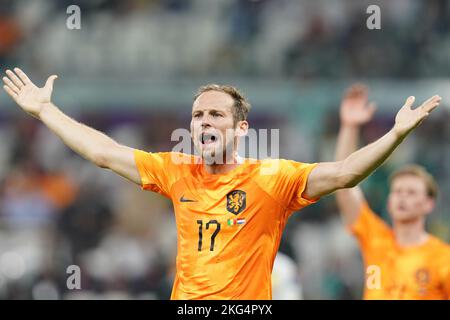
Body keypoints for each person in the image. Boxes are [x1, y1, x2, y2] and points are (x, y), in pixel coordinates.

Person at [2, 68, 442, 299]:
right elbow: (103, 153)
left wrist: (396, 133)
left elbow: (347, 172)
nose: (204, 121)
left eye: (216, 114)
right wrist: (46, 112)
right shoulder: (176, 170)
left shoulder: (273, 178)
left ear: (241, 128)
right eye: (198, 115)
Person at [335, 84, 450, 300]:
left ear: (429, 204)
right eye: (397, 192)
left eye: (411, 192)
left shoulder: (443, 258)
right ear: (389, 201)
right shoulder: (375, 239)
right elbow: (343, 185)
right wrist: (349, 127)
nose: (402, 197)